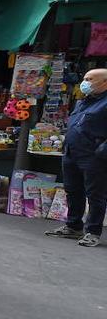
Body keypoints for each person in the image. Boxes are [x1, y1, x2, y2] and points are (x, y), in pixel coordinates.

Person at [47, 68, 107, 248]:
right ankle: (73, 226)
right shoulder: (83, 101)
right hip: (72, 152)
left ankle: (93, 232)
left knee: (95, 195)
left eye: (90, 79)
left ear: (105, 82)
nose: (85, 83)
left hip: (93, 156)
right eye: (85, 78)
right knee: (73, 190)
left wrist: (101, 151)